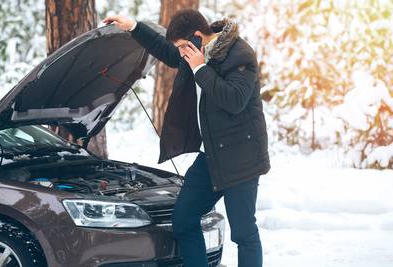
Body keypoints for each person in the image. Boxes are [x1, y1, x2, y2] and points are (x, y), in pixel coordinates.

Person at [103, 9, 270, 267]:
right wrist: (134, 26)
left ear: (196, 37)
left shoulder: (240, 54)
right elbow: (167, 51)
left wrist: (200, 68)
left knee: (244, 233)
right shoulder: (190, 52)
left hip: (242, 159)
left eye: (183, 46)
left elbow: (234, 100)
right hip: (211, 157)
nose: (180, 52)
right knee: (183, 219)